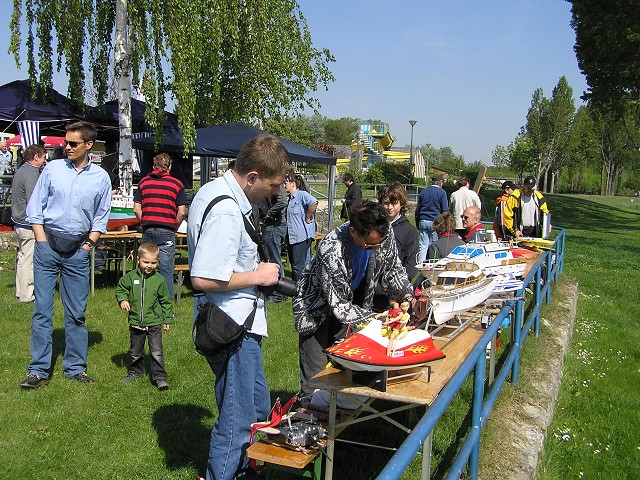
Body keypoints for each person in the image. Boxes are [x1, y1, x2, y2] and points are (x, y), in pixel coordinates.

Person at [187, 134, 291, 480]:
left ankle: (244, 470)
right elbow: (202, 278)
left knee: (258, 405)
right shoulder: (227, 212)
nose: (275, 193)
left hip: (233, 321)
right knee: (239, 417)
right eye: (273, 185)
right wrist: (257, 276)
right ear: (252, 177)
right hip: (232, 325)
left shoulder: (214, 192)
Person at [293, 200, 424, 405]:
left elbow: (393, 271)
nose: (377, 248)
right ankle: (310, 419)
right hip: (315, 311)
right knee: (316, 380)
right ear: (354, 231)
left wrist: (408, 298)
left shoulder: (383, 231)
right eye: (371, 245)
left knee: (347, 369)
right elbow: (341, 307)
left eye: (380, 243)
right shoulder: (332, 249)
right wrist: (383, 319)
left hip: (348, 302)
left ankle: (345, 415)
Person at [20, 121, 112, 389]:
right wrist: (42, 242)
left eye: (73, 143)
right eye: (66, 142)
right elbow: (35, 208)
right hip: (48, 245)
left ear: (88, 145)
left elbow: (101, 215)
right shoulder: (52, 169)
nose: (66, 146)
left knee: (76, 313)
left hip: (78, 251)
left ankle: (75, 368)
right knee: (42, 311)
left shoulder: (101, 178)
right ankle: (38, 371)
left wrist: (87, 246)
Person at [115, 242, 172, 390]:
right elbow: (121, 289)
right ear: (138, 259)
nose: (149, 265)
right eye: (146, 262)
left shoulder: (159, 280)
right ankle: (136, 372)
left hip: (154, 322)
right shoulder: (130, 277)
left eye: (153, 262)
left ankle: (160, 377)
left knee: (156, 351)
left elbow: (165, 301)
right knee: (135, 351)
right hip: (136, 322)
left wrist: (167, 318)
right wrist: (123, 299)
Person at [134, 152, 187, 301]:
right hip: (167, 230)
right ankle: (166, 305)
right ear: (169, 167)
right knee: (167, 269)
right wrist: (174, 226)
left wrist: (143, 222)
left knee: (145, 267)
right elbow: (181, 212)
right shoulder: (177, 184)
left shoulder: (144, 182)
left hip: (148, 228)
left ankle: (143, 300)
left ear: (153, 166)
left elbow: (137, 209)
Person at [373, 182, 419, 310]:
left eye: (394, 203)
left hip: (395, 293)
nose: (389, 207)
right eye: (386, 203)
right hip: (371, 290)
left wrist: (401, 290)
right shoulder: (373, 226)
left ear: (401, 203)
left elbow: (411, 264)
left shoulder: (409, 231)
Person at [11, 144, 47, 303]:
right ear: (36, 157)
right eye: (44, 157)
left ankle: (21, 291)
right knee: (28, 260)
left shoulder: (21, 170)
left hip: (18, 221)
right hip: (27, 222)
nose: (45, 160)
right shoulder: (32, 173)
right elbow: (34, 200)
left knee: (22, 258)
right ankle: (27, 295)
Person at [283, 172, 318, 282]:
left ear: (293, 184)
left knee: (297, 266)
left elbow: (314, 202)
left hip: (301, 237)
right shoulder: (289, 199)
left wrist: (308, 216)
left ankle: (297, 290)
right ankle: (305, 286)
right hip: (292, 237)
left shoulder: (301, 195)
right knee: (297, 264)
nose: (284, 185)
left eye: (285, 183)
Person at [258, 184, 288, 302]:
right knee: (273, 258)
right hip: (274, 225)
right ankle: (281, 292)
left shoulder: (277, 184)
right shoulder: (276, 183)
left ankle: (279, 293)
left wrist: (269, 214)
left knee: (273, 260)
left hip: (275, 226)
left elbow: (282, 202)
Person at [415, 175, 448, 261]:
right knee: (435, 245)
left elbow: (417, 210)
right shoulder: (442, 193)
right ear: (440, 183)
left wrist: (417, 223)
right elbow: (445, 210)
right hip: (435, 221)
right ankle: (433, 263)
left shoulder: (423, 192)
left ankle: (421, 264)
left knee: (423, 246)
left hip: (423, 220)